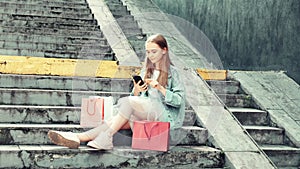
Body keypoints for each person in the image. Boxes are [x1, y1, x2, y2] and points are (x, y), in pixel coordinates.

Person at [48, 34, 186, 150]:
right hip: (145, 114)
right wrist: (137, 90)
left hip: (165, 117)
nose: (150, 55)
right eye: (148, 52)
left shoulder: (173, 73)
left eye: (154, 51)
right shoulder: (146, 71)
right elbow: (136, 100)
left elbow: (179, 101)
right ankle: (78, 137)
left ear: (164, 50)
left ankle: (106, 137)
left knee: (126, 104)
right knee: (117, 119)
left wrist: (161, 88)